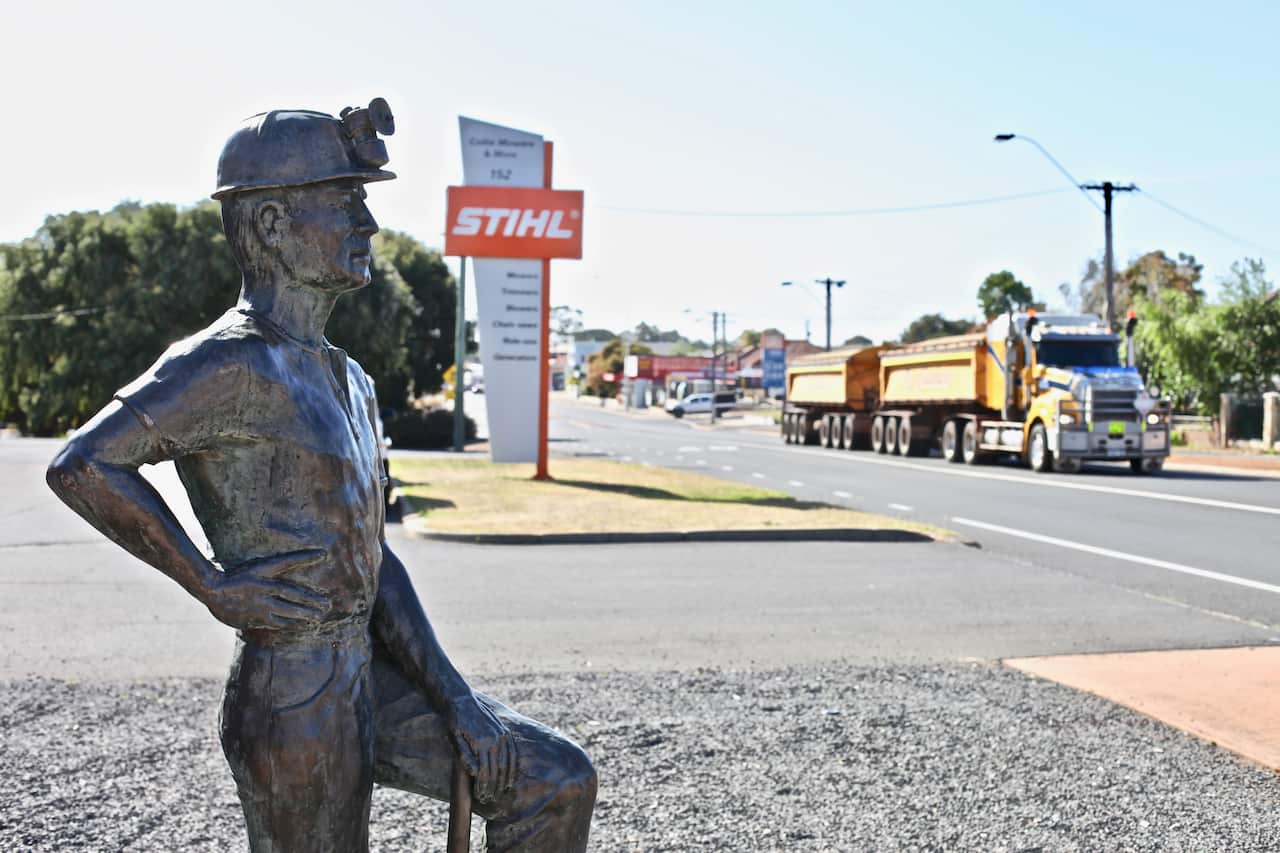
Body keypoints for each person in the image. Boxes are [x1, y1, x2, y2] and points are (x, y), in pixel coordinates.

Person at [46, 100, 595, 853]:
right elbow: (81, 465)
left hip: (368, 670)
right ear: (271, 224)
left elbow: (374, 558)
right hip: (292, 693)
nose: (366, 224)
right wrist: (210, 583)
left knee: (553, 779)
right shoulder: (228, 362)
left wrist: (457, 698)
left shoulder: (352, 378)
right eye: (345, 202)